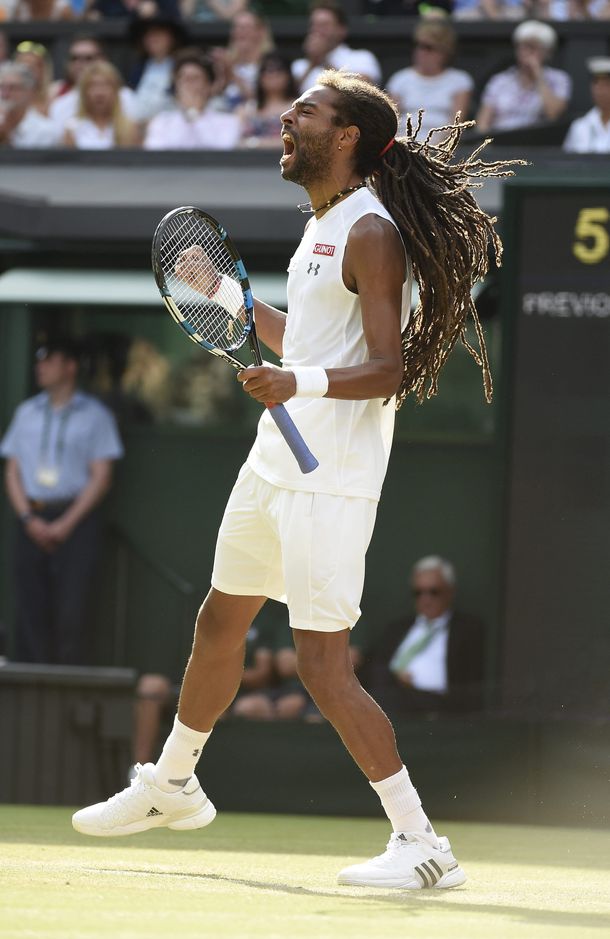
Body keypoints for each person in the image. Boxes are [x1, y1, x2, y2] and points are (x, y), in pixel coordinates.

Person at [72, 69, 520, 890]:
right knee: (220, 618)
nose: (289, 116)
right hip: (273, 463)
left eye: (306, 109)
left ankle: (423, 844)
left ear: (346, 136)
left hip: (331, 479)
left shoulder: (371, 232)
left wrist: (296, 385)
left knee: (322, 666)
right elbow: (307, 340)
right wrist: (229, 302)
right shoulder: (321, 226)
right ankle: (173, 782)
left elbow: (383, 369)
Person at [0, 337, 123, 664]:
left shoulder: (95, 416)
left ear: (69, 367)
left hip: (76, 522)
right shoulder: (26, 412)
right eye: (39, 360)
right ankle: (30, 689)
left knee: (74, 609)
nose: (40, 366)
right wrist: (28, 519)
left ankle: (68, 695)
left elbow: (101, 476)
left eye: (50, 359)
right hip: (32, 519)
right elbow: (12, 470)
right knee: (29, 607)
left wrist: (65, 525)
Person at [362, 556, 485, 718]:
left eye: (434, 592)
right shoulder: (397, 629)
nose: (425, 599)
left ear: (449, 592)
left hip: (438, 709)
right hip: (391, 701)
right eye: (418, 593)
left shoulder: (466, 630)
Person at [387, 20, 474, 145]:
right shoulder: (400, 79)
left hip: (442, 149)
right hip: (404, 148)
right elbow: (391, 122)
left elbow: (456, 125)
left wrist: (435, 150)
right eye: (418, 45)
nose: (420, 52)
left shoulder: (460, 80)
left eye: (428, 47)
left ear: (444, 52)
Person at [476, 20, 571, 134]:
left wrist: (538, 74)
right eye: (523, 46)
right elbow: (482, 123)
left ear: (547, 52)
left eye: (533, 48)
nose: (526, 52)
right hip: (500, 144)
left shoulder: (559, 79)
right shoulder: (500, 80)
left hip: (537, 144)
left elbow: (553, 114)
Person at [143, 49, 241, 150]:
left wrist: (194, 114)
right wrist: (188, 113)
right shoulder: (161, 121)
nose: (188, 84)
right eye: (183, 78)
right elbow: (157, 153)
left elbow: (222, 151)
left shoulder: (228, 122)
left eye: (195, 78)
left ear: (208, 86)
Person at [49, 35, 137, 132]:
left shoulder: (125, 97)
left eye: (88, 58)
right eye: (74, 58)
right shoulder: (58, 101)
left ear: (103, 60)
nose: (80, 64)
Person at [292, 1, 381, 93]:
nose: (316, 31)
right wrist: (311, 64)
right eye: (314, 25)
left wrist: (323, 60)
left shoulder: (362, 57)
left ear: (342, 30)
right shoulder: (300, 65)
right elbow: (286, 98)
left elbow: (364, 89)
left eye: (324, 25)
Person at [62, 60, 139, 148]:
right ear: (84, 92)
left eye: (106, 85)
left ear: (116, 91)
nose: (99, 93)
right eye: (93, 85)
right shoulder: (72, 127)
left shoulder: (129, 127)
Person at [128, 16, 187, 123]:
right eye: (148, 35)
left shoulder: (182, 66)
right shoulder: (139, 67)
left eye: (158, 34)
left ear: (172, 37)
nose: (152, 39)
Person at [239, 50, 298, 148]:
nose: (272, 74)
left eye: (279, 69)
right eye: (266, 70)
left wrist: (255, 143)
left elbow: (298, 141)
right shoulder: (245, 109)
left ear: (288, 75)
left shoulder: (299, 109)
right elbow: (236, 142)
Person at [0, 61, 59, 147]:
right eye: (2, 87)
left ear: (29, 92)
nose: (5, 94)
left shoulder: (45, 131)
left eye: (12, 88)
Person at [563, 57, 610, 153]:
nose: (600, 91)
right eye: (596, 84)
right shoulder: (579, 127)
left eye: (606, 84)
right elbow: (567, 163)